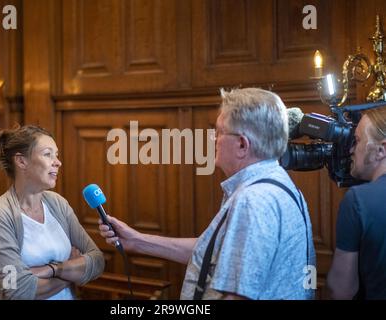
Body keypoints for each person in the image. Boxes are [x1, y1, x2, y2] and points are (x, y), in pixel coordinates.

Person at [99, 88, 316, 300]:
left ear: (242, 144)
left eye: (219, 132)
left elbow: (239, 295)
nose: (213, 139)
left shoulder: (254, 199)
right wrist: (137, 241)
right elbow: (213, 252)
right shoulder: (279, 184)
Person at [0, 125, 104, 300]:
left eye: (57, 155)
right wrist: (71, 270)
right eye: (48, 154)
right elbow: (16, 289)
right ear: (21, 161)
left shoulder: (58, 203)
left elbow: (97, 261)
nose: (58, 162)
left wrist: (53, 269)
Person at [327, 106, 386, 299]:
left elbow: (342, 289)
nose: (351, 149)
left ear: (381, 150)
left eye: (358, 140)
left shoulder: (358, 200)